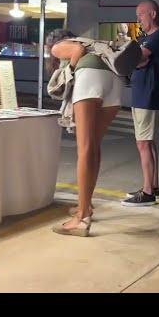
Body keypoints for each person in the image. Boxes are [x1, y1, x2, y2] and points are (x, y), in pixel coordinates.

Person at [50, 32, 124, 236]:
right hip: (115, 80)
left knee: (84, 149)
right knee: (94, 146)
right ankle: (86, 206)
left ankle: (81, 217)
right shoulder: (95, 43)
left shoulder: (59, 46)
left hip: (91, 78)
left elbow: (77, 51)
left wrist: (70, 70)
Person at [122, 0, 159, 206]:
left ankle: (147, 192)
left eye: (140, 15)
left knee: (143, 143)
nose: (138, 20)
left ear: (152, 13)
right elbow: (137, 59)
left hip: (149, 94)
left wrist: (130, 58)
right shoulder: (146, 38)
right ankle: (153, 186)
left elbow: (139, 57)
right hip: (142, 93)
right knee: (147, 142)